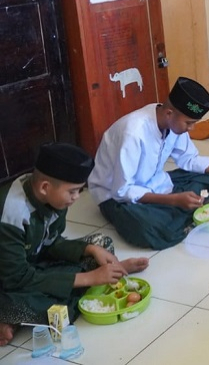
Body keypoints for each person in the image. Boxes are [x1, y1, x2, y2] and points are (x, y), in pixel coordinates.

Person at [0, 143, 149, 345]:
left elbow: (50, 243)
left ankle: (87, 284)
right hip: (9, 279)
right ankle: (12, 316)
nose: (77, 198)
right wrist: (89, 278)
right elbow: (16, 278)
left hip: (31, 264)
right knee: (52, 312)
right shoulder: (11, 213)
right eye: (72, 192)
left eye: (79, 190)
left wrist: (90, 249)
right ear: (45, 187)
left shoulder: (51, 197)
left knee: (101, 243)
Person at [88, 77, 209, 249]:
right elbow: (122, 190)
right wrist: (173, 200)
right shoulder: (133, 132)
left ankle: (189, 210)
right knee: (146, 227)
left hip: (156, 183)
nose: (191, 129)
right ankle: (193, 210)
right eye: (189, 123)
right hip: (117, 198)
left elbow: (189, 159)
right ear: (169, 113)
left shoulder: (172, 121)